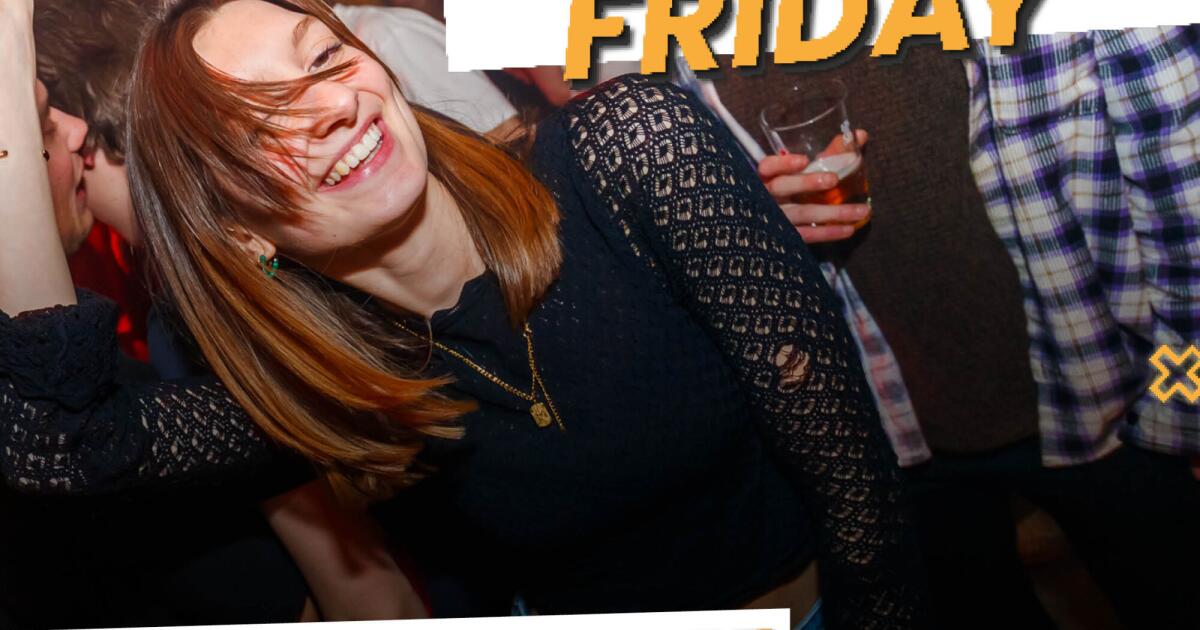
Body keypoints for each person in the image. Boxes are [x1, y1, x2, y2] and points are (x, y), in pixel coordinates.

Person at [0, 0, 924, 627]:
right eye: (256, 129)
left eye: (322, 59)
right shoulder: (320, 381)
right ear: (241, 234)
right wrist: (7, 86)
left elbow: (859, 500)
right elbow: (59, 445)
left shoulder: (628, 153)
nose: (327, 109)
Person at [737, 28, 1200, 629]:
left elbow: (1186, 219)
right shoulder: (692, 46)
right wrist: (761, 220)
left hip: (1113, 404)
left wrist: (1187, 411)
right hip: (899, 442)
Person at [2, 1, 424, 625]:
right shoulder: (180, 327)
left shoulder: (190, 317)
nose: (74, 132)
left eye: (322, 57)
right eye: (38, 126)